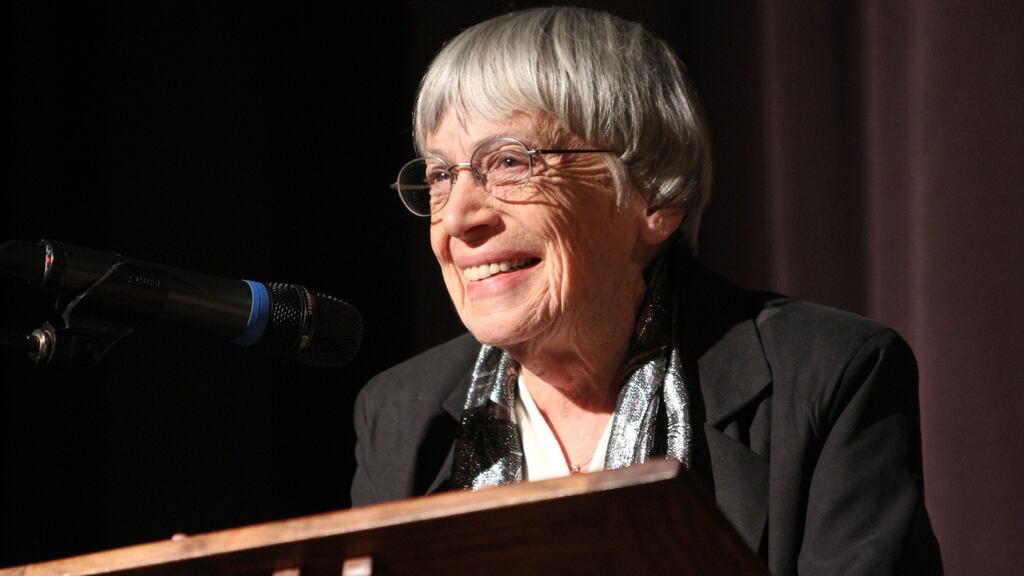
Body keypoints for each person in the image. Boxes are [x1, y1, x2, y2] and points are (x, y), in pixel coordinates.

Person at [351, 6, 941, 574]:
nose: (457, 219)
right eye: (439, 176)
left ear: (656, 194)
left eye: (509, 162)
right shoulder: (403, 414)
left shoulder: (826, 378)